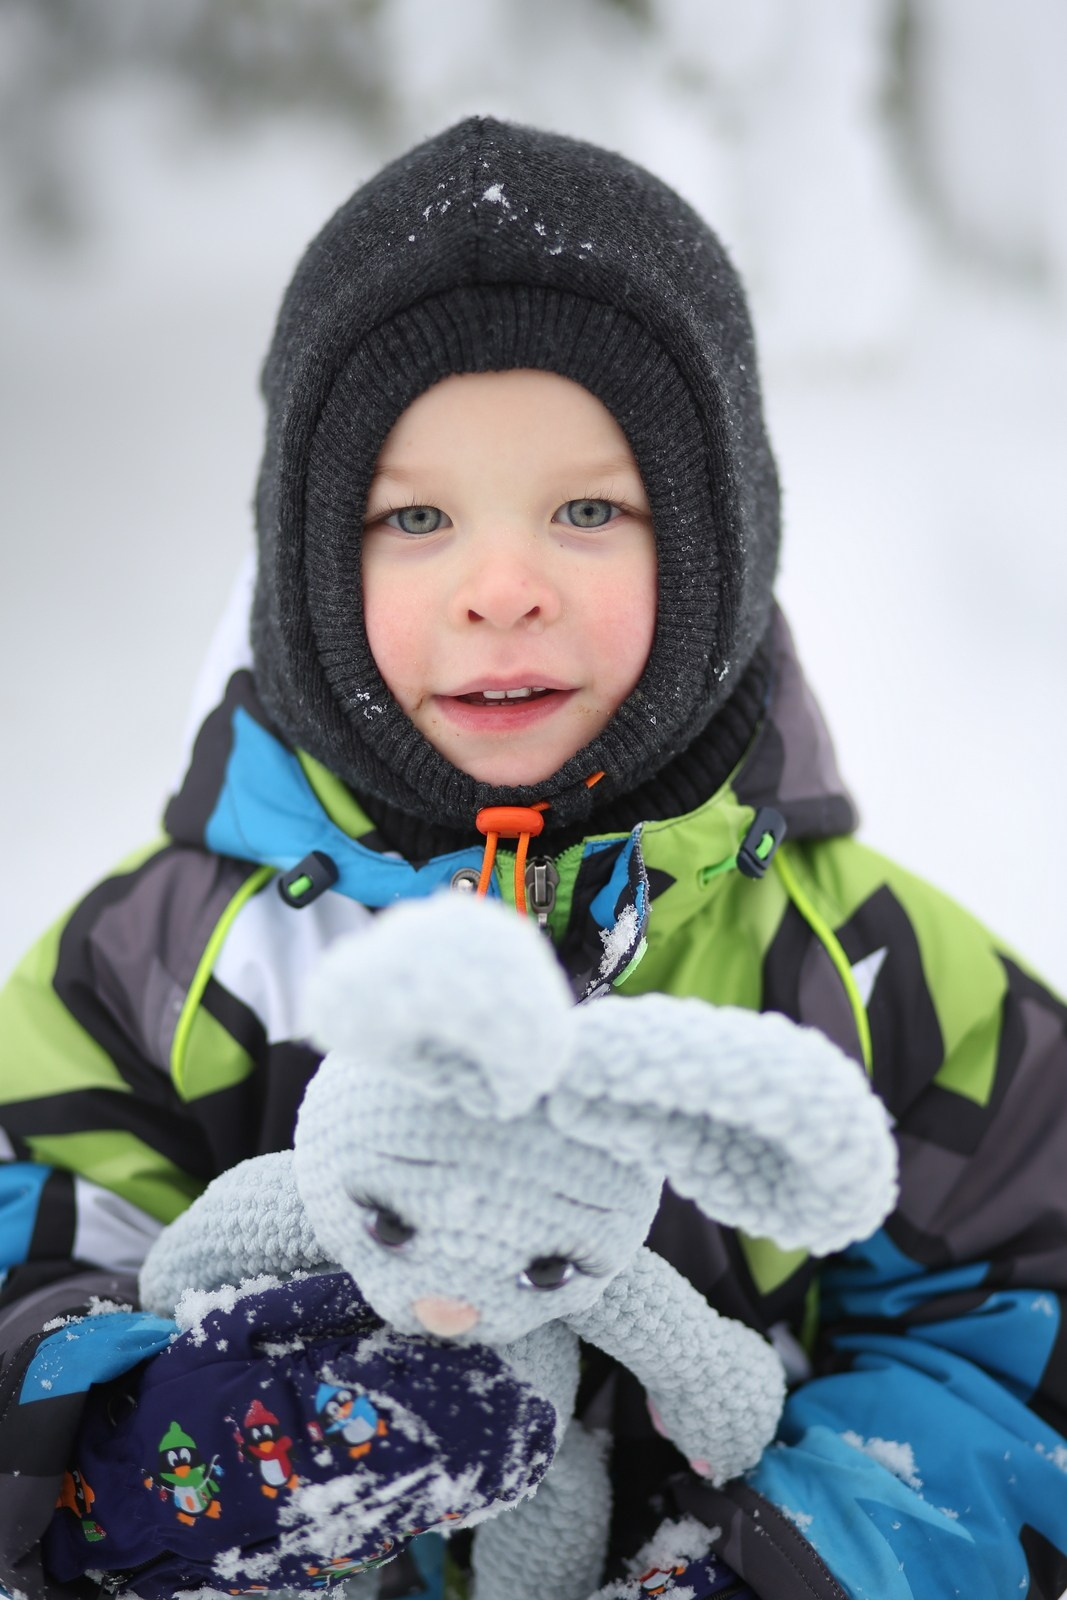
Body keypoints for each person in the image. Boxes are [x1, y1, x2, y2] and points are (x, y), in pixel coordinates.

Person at [1, 114, 1065, 1600]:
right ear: (306, 569)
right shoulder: (164, 958)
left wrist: (789, 1564)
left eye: (587, 509)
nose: (503, 587)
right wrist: (132, 1455)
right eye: (414, 517)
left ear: (714, 551)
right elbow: (30, 1215)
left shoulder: (861, 970)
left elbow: (1026, 1305)